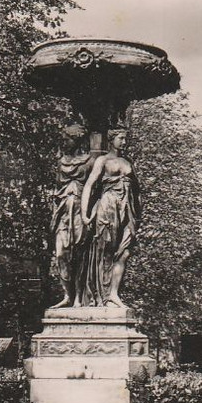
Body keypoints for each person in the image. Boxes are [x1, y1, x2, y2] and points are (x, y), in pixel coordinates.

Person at [81, 127, 140, 306]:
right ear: (112, 139)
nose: (124, 142)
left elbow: (137, 191)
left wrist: (138, 215)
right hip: (108, 206)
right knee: (105, 251)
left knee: (125, 251)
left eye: (125, 138)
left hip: (127, 208)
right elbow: (89, 185)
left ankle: (114, 293)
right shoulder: (103, 160)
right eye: (121, 138)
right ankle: (101, 295)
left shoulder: (128, 162)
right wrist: (85, 213)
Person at [50, 124, 95, 307]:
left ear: (76, 140)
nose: (64, 143)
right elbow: (56, 188)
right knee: (61, 254)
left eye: (67, 139)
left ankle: (79, 297)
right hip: (63, 212)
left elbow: (94, 189)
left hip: (79, 212)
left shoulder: (89, 162)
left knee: (79, 255)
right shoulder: (60, 162)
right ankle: (68, 294)